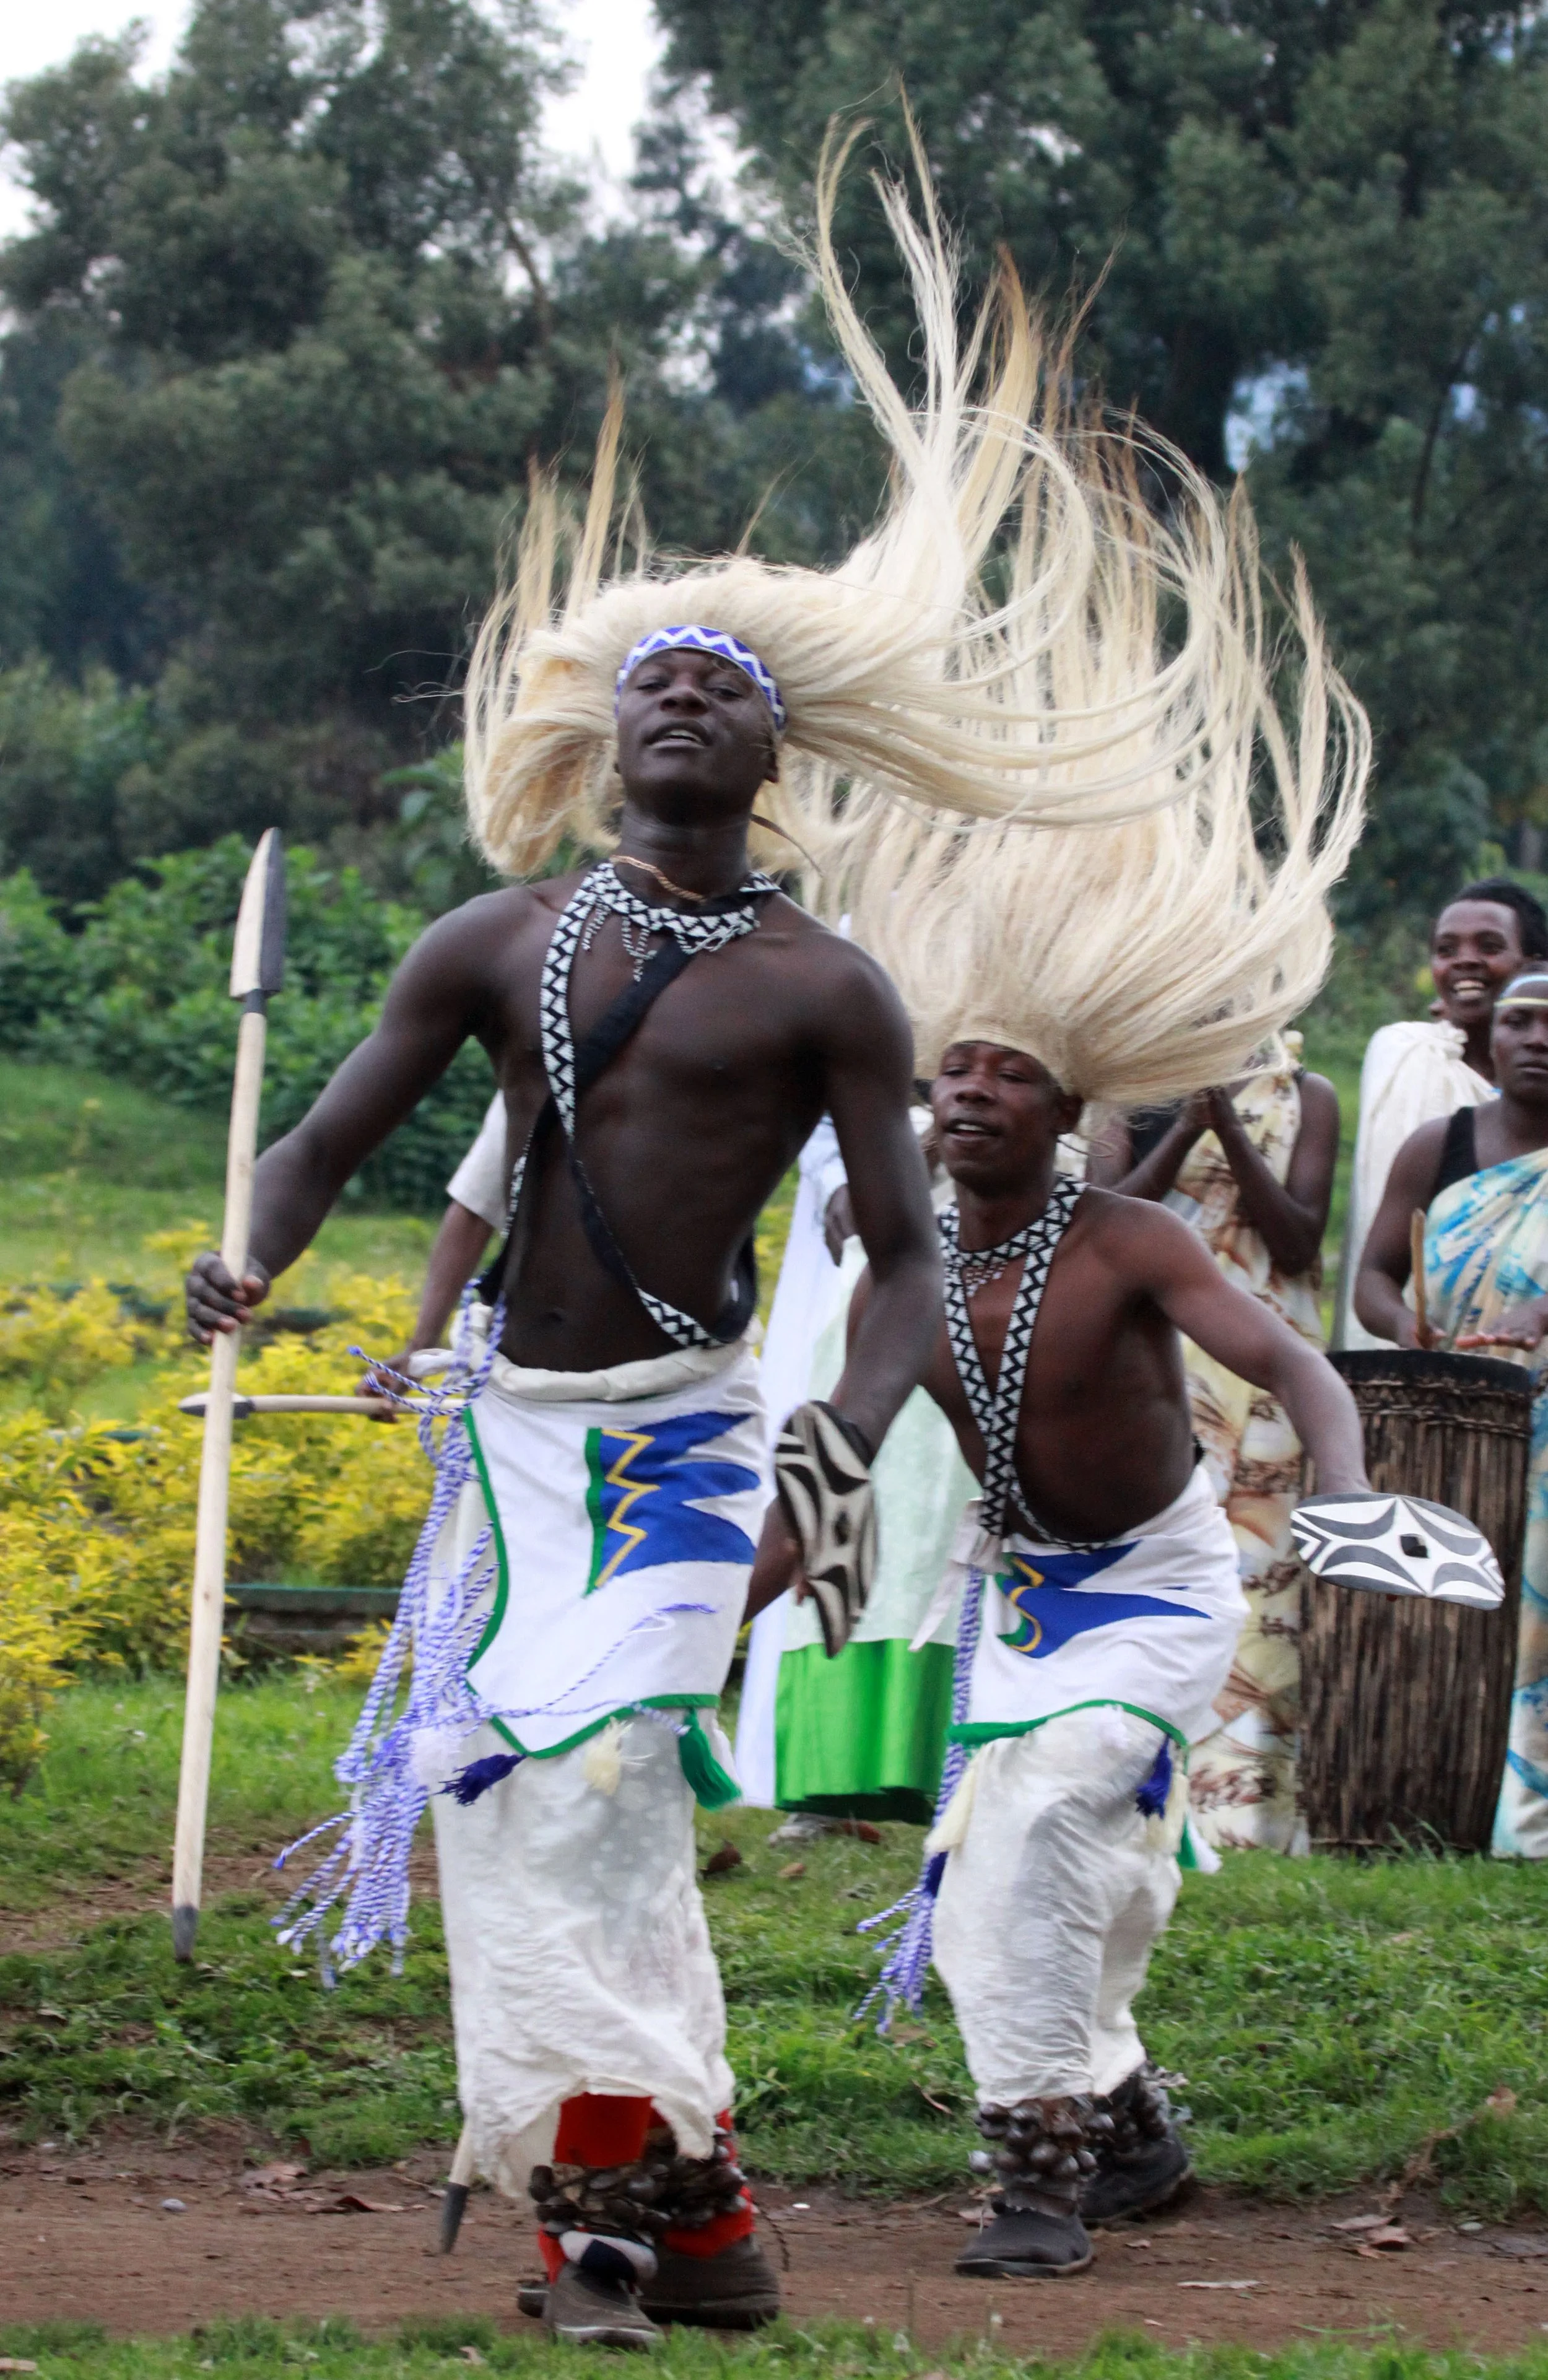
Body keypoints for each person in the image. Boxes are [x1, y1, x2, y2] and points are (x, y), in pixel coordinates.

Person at [185, 134, 1242, 2349]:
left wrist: (838, 1448)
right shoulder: (495, 935)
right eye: (652, 675)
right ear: (603, 734)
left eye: (723, 685)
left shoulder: (827, 985)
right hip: (521, 1441)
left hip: (681, 1441)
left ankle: (604, 2221)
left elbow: (891, 1250)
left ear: (775, 754)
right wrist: (258, 1258)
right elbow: (334, 1131)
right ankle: (684, 2200)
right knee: (510, 1809)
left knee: (588, 1791)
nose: (682, 693)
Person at [748, 410, 1371, 2282]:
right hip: (1023, 1600)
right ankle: (1127, 2127)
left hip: (1159, 1592)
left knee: (1029, 1845)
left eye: (1002, 1077)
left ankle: (1031, 2175)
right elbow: (843, 1443)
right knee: (1031, 1885)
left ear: (1063, 1101)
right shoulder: (911, 1269)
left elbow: (1296, 1364)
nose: (963, 1100)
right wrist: (739, 1594)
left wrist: (1337, 1495)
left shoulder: (1129, 1240)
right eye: (947, 1074)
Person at [1087, 1042, 1339, 1852]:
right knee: (1150, 1565)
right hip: (1151, 1362)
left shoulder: (1308, 1094)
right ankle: (1128, 1789)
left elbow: (1298, 1239)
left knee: (1260, 1579)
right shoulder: (1130, 1083)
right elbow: (1099, 1214)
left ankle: (1243, 1812)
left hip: (1264, 1369)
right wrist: (1185, 1123)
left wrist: (1228, 1125)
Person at [1354, 965, 1548, 1860]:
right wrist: (1413, 1330)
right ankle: (1438, 1799)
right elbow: (1372, 1277)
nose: (1537, 1039)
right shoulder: (1441, 1143)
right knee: (1453, 1607)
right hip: (1461, 1413)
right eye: (1520, 1021)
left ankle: (1528, 1815)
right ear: (1489, 1038)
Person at [1336, 879, 1548, 1350]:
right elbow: (1374, 1275)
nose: (1537, 1040)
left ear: (1533, 962)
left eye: (1489, 946)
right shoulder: (1425, 1106)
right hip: (1449, 1393)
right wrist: (1402, 1325)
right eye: (1446, 948)